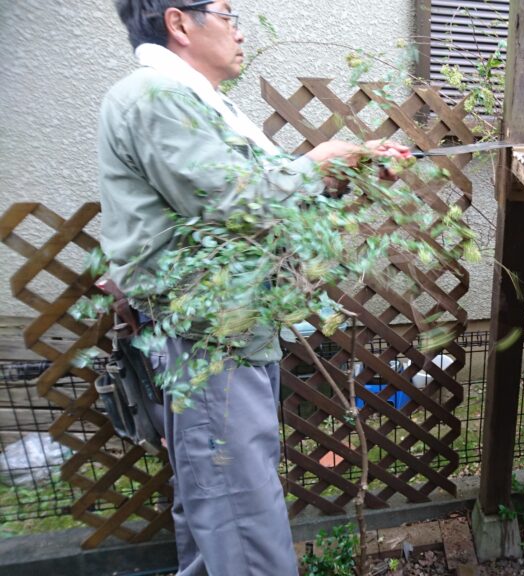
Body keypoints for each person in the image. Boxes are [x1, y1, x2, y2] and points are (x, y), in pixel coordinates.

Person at [98, 2, 409, 574]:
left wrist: (348, 173)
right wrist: (316, 165)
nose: (239, 29)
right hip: (208, 340)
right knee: (241, 516)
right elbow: (232, 201)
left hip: (230, 333)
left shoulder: (196, 102)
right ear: (179, 22)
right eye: (227, 13)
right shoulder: (154, 97)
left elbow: (266, 204)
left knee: (215, 504)